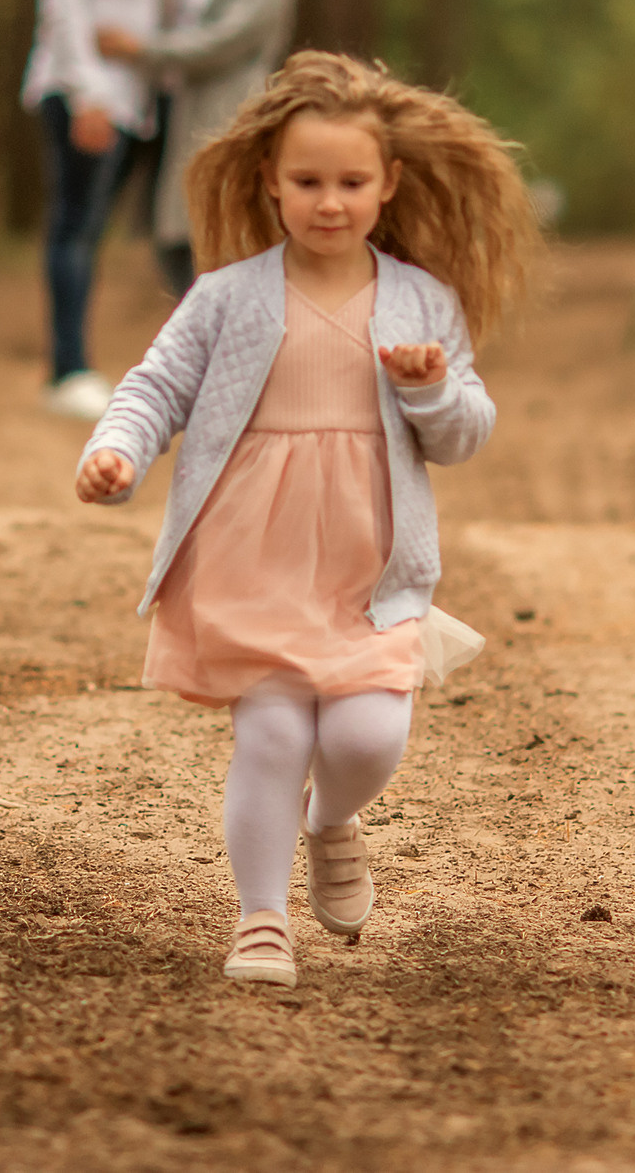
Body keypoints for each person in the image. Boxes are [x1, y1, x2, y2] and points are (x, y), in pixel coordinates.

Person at [72, 52, 542, 987]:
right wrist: (117, 453)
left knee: (368, 736)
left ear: (389, 184)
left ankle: (331, 821)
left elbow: (464, 435)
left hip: (369, 565)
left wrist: (431, 388)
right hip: (254, 555)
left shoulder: (421, 300)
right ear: (270, 184)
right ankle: (260, 917)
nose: (331, 202)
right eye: (309, 182)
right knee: (276, 732)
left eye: (352, 183)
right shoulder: (228, 296)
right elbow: (155, 386)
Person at [22, 0, 181, 421]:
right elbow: (64, 4)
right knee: (76, 226)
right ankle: (67, 369)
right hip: (87, 92)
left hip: (138, 93)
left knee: (124, 228)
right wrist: (87, 94)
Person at [96, 0, 305, 298]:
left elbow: (226, 41)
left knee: (206, 232)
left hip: (222, 113)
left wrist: (142, 50)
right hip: (170, 105)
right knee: (167, 231)